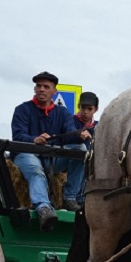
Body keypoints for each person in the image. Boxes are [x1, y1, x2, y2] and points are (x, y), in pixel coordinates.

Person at [11, 71, 81, 231]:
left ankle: (70, 197)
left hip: (51, 159)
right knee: (36, 171)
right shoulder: (22, 110)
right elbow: (18, 135)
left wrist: (79, 136)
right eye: (38, 86)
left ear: (54, 92)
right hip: (26, 154)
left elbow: (69, 135)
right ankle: (44, 208)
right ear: (35, 89)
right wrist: (34, 139)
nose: (41, 89)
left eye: (46, 87)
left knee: (81, 150)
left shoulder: (62, 113)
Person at [71, 91, 99, 208]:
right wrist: (78, 134)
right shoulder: (70, 121)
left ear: (96, 110)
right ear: (78, 107)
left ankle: (86, 197)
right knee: (82, 152)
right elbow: (64, 138)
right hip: (70, 158)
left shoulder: (98, 126)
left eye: (89, 109)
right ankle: (73, 196)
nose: (85, 112)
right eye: (83, 108)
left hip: (90, 163)